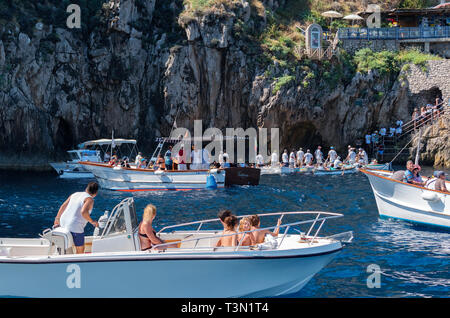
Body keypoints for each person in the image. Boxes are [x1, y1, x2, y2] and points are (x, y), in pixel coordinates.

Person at [53, 182, 99, 254]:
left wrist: (57, 219)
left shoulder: (75, 194)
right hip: (74, 226)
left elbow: (63, 206)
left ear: (86, 189)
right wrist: (92, 222)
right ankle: (79, 263)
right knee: (80, 249)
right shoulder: (89, 199)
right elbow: (83, 212)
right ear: (96, 193)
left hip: (63, 222)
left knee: (65, 243)